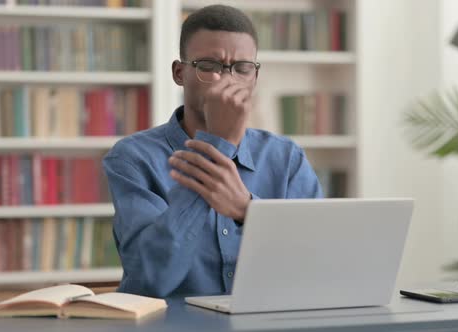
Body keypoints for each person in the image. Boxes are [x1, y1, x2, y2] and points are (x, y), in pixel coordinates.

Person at [103, 4, 323, 298]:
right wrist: (217, 144)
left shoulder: (286, 158)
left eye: (242, 68)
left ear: (254, 77)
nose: (227, 81)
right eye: (209, 66)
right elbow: (149, 279)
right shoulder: (133, 158)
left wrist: (248, 211)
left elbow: (318, 266)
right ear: (180, 73)